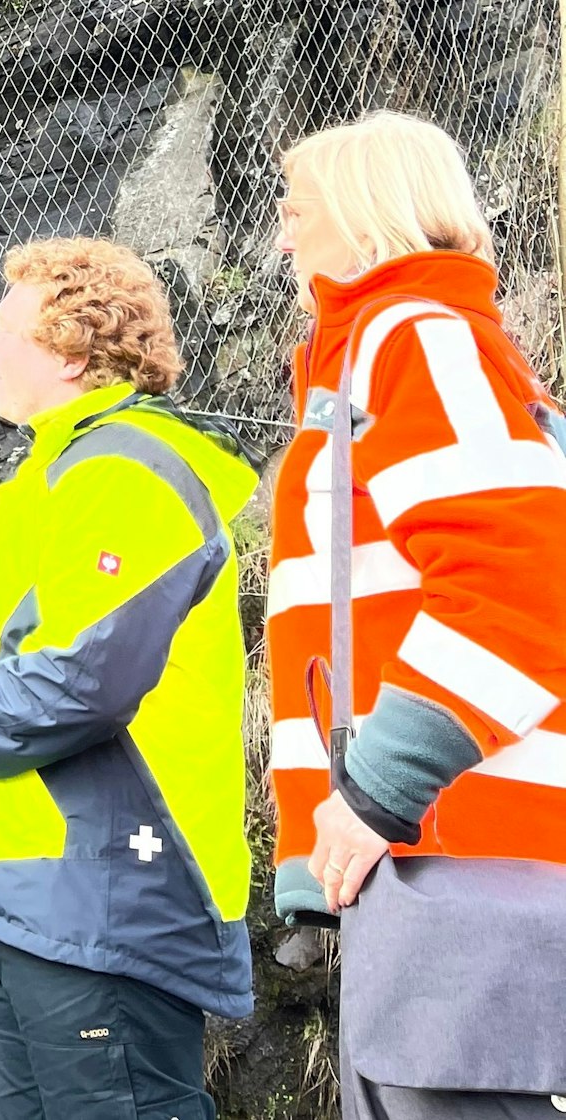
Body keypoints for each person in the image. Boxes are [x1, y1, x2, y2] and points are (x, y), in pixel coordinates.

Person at [0, 238, 256, 1119]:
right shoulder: (59, 473)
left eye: (2, 327)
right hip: (37, 883)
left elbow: (79, 685)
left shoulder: (123, 474)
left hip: (107, 890)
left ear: (71, 350)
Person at [266, 111, 566, 1118]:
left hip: (457, 853)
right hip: (432, 853)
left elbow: (519, 588)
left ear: (361, 211)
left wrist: (372, 793)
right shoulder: (395, 351)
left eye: (295, 206)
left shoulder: (416, 338)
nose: (281, 233)